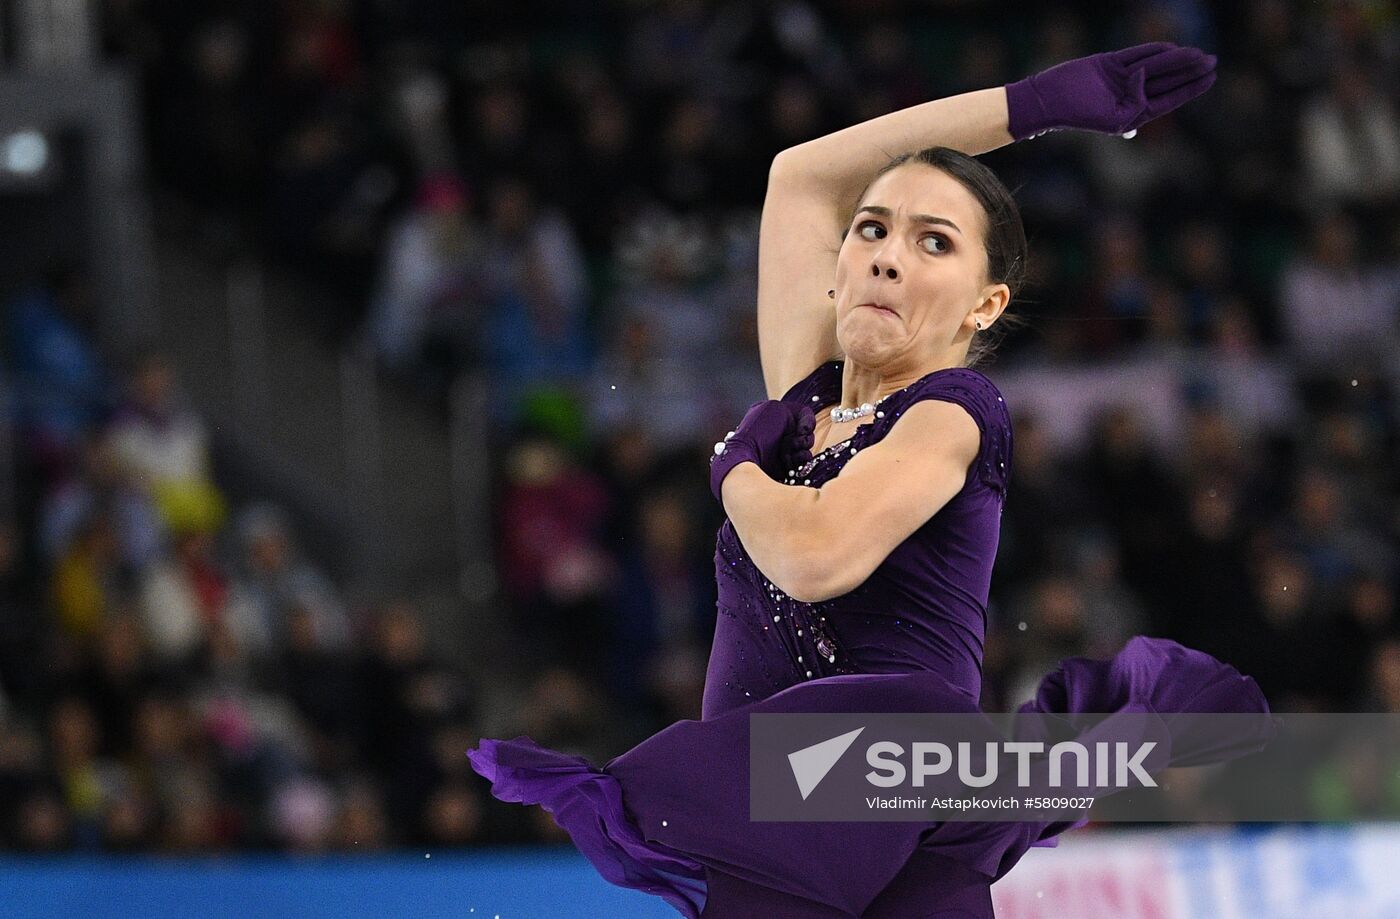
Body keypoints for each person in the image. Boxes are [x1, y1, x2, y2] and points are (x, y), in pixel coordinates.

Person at [470, 43, 1274, 918]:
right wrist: (1033, 103)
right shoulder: (805, 395)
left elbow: (813, 555)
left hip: (877, 792)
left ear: (985, 304)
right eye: (873, 229)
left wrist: (734, 464)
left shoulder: (953, 412)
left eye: (934, 242)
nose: (888, 256)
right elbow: (804, 175)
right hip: (784, 815)